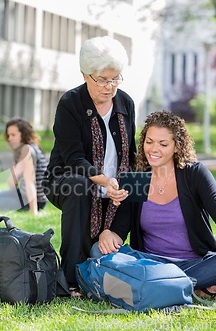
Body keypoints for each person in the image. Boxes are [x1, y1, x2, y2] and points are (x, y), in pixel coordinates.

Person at [92, 111, 216, 300]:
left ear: (176, 146)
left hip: (195, 263)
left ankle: (163, 286)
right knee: (98, 251)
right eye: (149, 142)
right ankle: (193, 287)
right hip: (150, 265)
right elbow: (119, 231)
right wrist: (108, 234)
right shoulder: (137, 179)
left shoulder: (195, 174)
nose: (153, 149)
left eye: (163, 144)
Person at [43, 36, 137, 296]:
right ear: (85, 75)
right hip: (67, 179)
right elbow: (74, 159)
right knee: (79, 186)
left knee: (139, 187)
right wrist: (105, 180)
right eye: (103, 79)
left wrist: (124, 186)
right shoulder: (70, 103)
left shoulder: (125, 103)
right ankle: (71, 278)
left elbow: (130, 155)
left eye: (115, 78)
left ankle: (137, 259)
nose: (110, 86)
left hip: (111, 184)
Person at [0, 117, 48, 215]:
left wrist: (33, 211)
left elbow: (30, 182)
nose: (10, 138)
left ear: (24, 134)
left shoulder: (27, 150)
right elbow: (11, 183)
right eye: (8, 135)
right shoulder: (25, 149)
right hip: (22, 195)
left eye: (13, 135)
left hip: (31, 201)